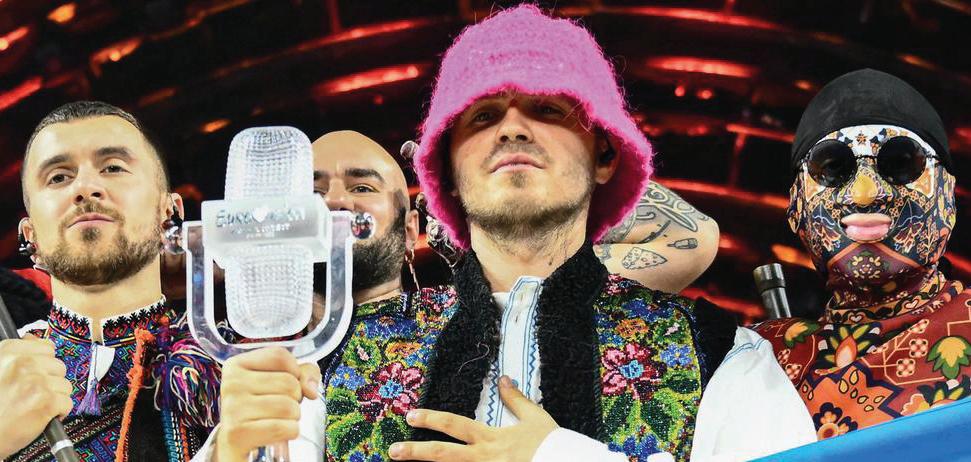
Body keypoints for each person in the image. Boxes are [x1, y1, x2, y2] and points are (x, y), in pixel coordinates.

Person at [754, 69, 971, 440]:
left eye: (901, 163)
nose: (865, 193)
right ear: (795, 207)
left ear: (947, 197)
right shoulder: (763, 357)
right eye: (832, 167)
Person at [1, 101, 220, 461]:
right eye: (58, 177)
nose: (86, 187)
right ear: (30, 235)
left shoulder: (236, 365)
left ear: (169, 212)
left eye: (113, 167)